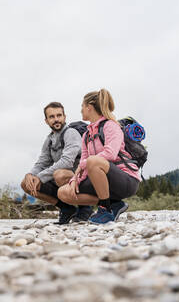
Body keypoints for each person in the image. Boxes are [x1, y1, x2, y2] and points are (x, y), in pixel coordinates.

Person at [57, 89, 141, 224]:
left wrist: (83, 165)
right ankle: (114, 204)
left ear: (89, 107)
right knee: (63, 192)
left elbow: (110, 154)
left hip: (126, 180)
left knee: (93, 161)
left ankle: (105, 209)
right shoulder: (86, 135)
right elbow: (85, 163)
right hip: (101, 178)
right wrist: (75, 181)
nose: (81, 110)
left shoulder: (111, 125)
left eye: (82, 107)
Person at [21, 102, 93, 224]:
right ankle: (66, 208)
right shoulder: (49, 140)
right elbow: (42, 163)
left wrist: (40, 177)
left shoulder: (71, 133)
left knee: (60, 174)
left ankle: (85, 208)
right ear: (46, 121)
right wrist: (30, 175)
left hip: (82, 180)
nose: (56, 119)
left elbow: (67, 162)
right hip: (63, 184)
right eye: (52, 117)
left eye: (59, 115)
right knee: (26, 183)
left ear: (64, 117)